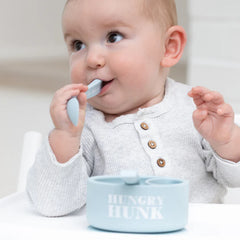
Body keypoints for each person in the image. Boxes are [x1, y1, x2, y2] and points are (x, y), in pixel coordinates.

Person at [27, 0, 240, 217]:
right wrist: (64, 137)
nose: (92, 59)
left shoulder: (196, 112)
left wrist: (226, 141)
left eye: (113, 37)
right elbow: (52, 204)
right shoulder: (83, 130)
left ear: (168, 47)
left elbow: (235, 178)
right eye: (78, 45)